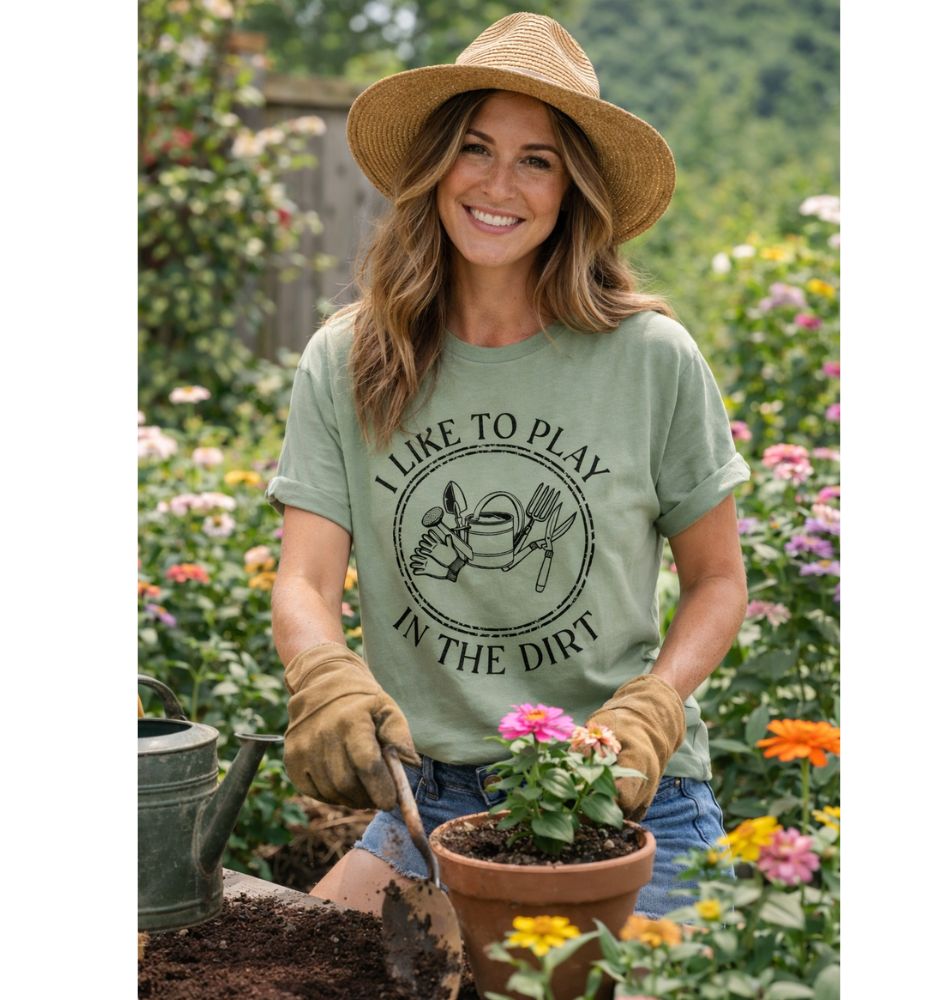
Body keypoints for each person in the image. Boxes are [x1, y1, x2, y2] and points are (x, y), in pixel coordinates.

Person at [266, 12, 750, 918]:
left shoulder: (652, 359)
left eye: (537, 160)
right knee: (284, 963)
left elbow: (719, 580)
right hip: (428, 801)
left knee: (658, 981)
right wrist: (323, 673)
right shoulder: (348, 359)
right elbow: (305, 580)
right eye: (475, 149)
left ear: (573, 190)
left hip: (623, 796)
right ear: (435, 166)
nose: (498, 185)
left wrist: (653, 706)